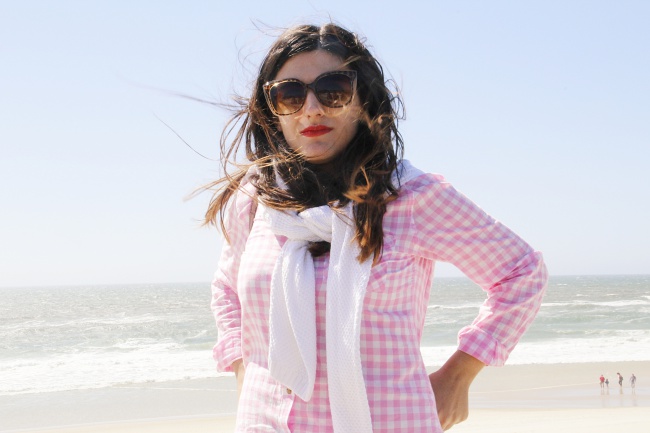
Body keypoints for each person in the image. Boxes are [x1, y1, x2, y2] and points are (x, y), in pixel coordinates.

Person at [207, 23, 548, 432]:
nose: (311, 108)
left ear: (363, 101)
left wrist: (458, 377)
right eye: (290, 95)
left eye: (333, 90)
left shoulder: (410, 197)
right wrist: (243, 372)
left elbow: (521, 272)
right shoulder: (255, 198)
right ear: (271, 110)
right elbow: (227, 288)